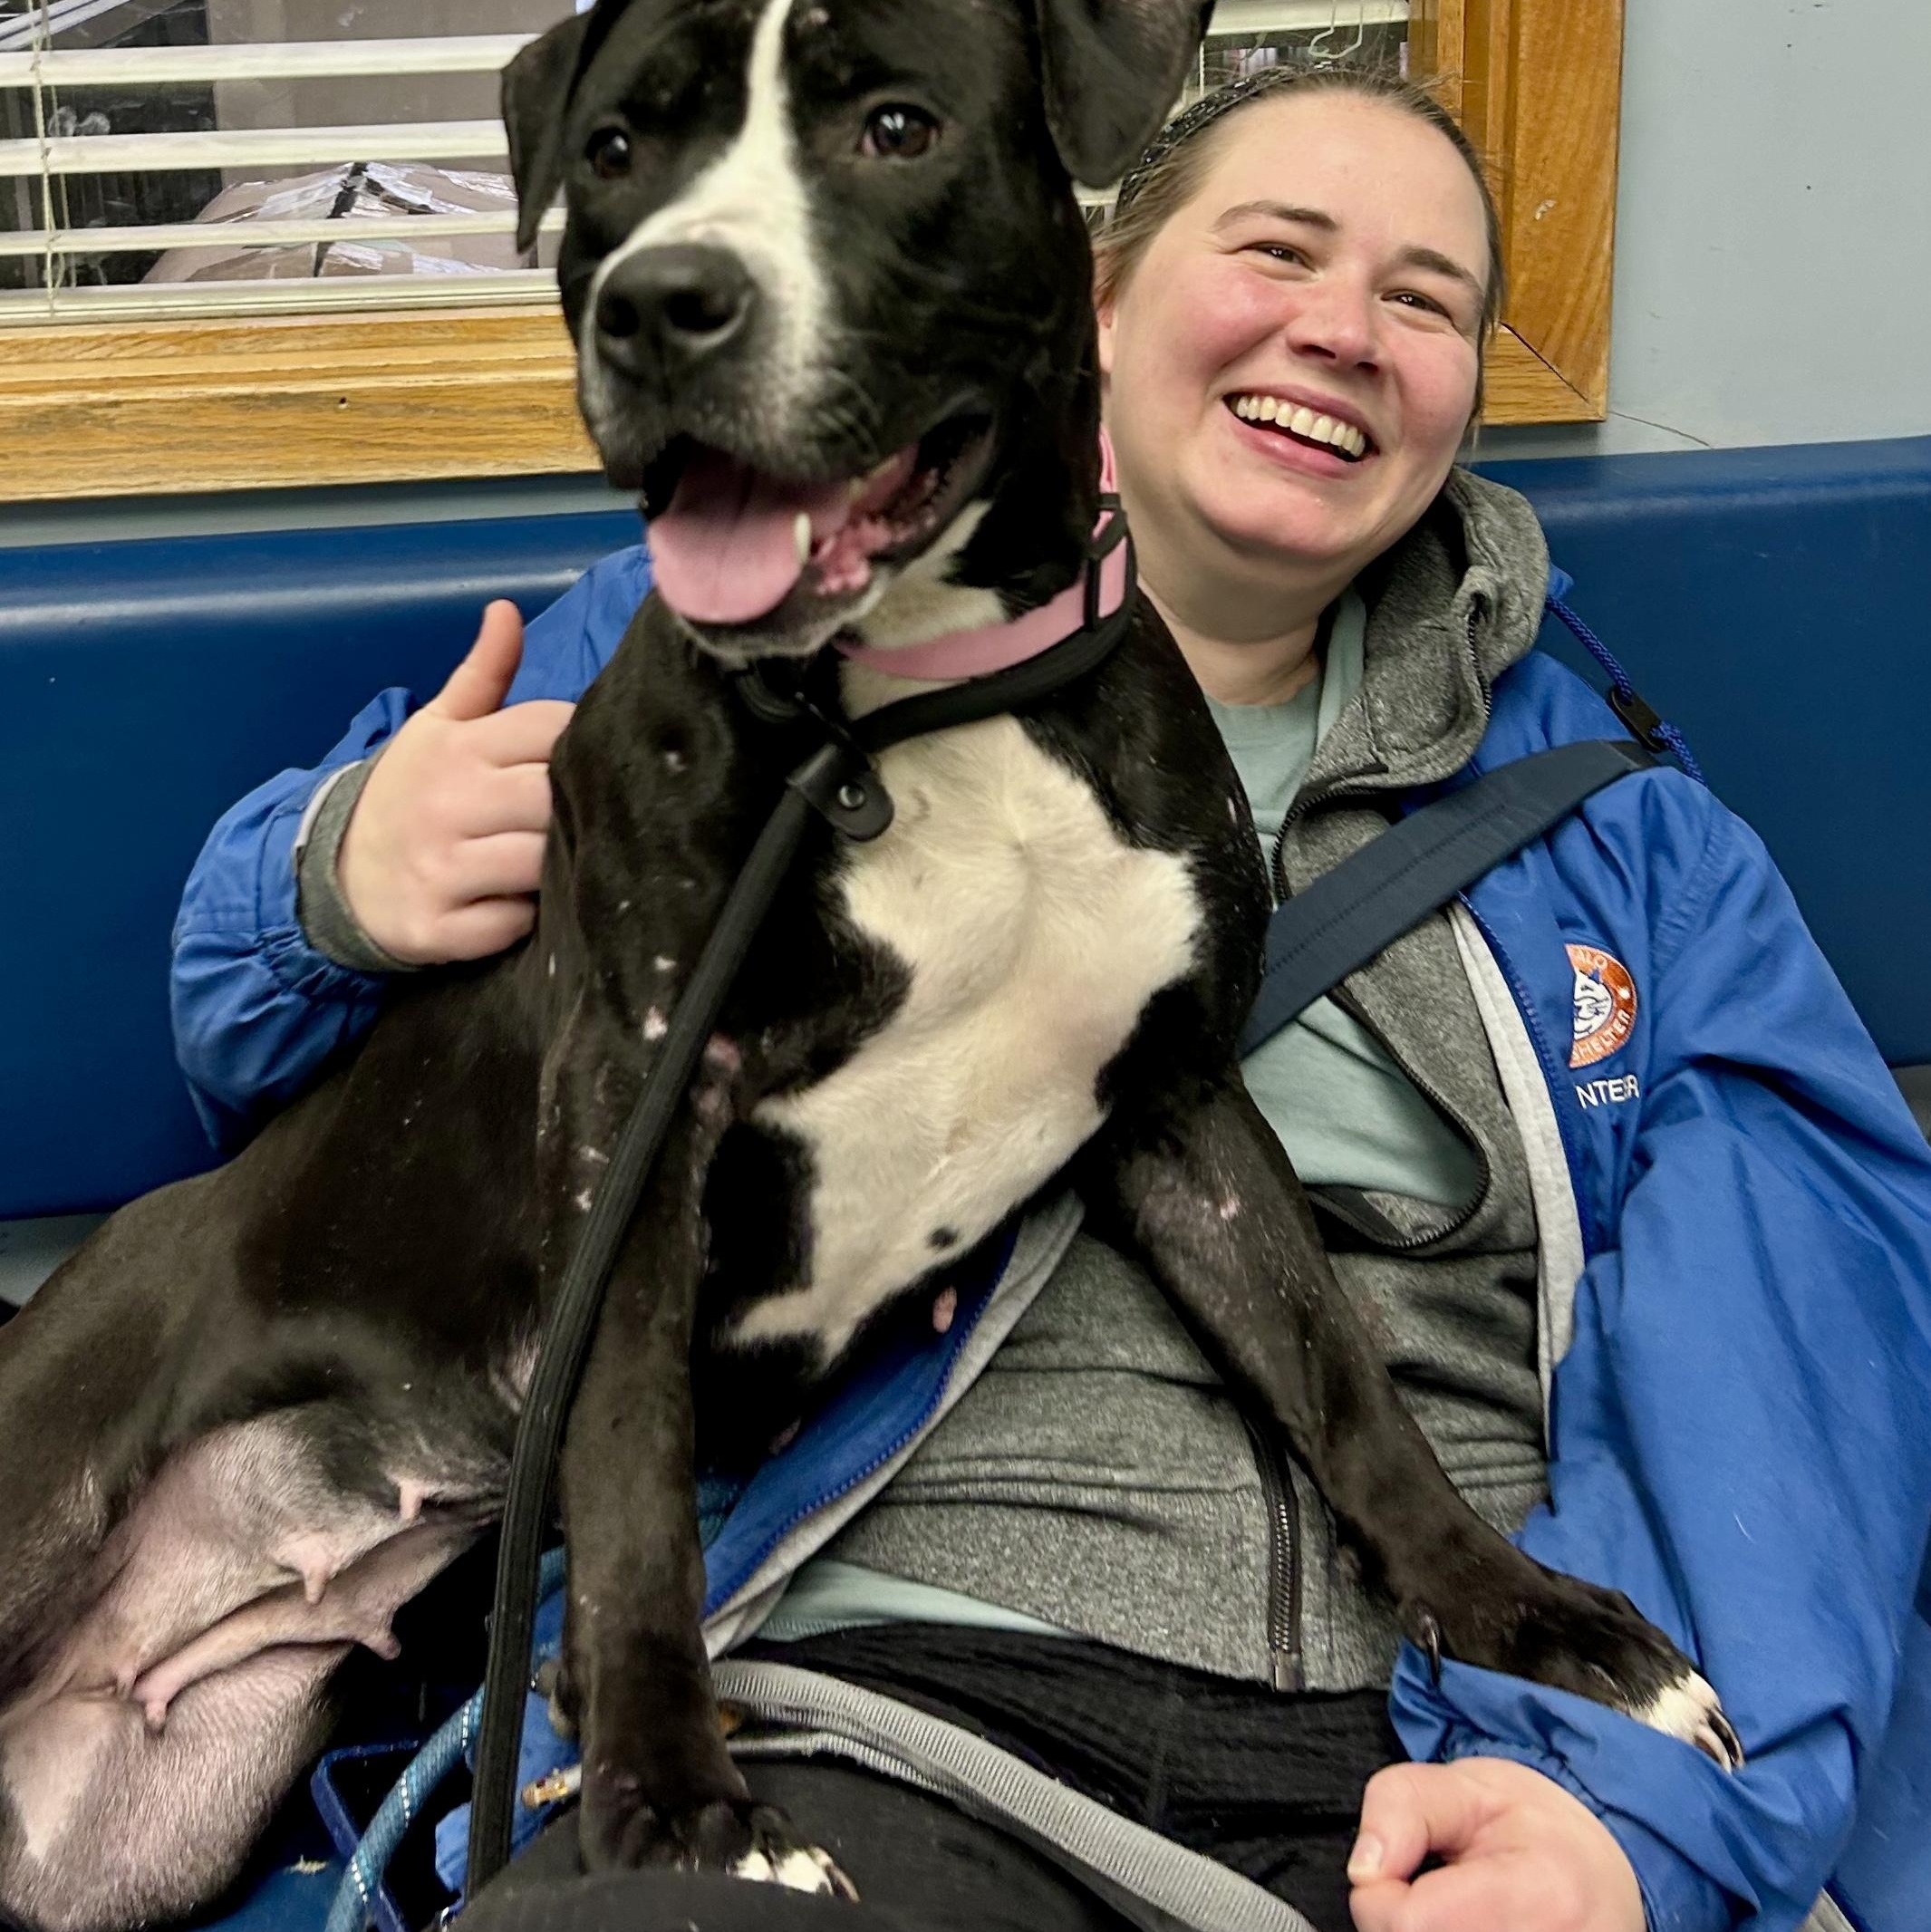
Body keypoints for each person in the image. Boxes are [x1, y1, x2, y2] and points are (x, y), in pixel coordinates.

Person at [172, 65, 1931, 1932]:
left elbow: (1810, 1326)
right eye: (1276, 253)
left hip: (1435, 1760)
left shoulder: (1626, 833)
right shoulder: (737, 630)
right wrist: (332, 881)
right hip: (880, 1695)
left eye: (1423, 302)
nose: (1339, 330)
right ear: (1089, 292)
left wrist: (1628, 1824)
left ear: (1465, 394)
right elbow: (281, 1059)